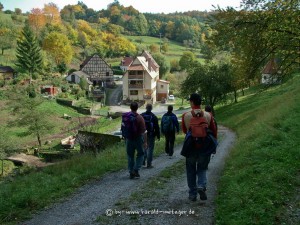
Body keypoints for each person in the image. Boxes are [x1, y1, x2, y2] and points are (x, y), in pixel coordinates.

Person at [182, 93, 217, 201]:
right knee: (202, 168)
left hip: (191, 146)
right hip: (205, 146)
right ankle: (201, 186)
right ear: (201, 102)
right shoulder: (208, 115)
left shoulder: (186, 115)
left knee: (191, 169)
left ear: (191, 102)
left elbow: (184, 131)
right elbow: (214, 131)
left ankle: (192, 194)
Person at [122, 102, 147, 179]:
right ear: (137, 108)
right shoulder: (140, 118)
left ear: (130, 107)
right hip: (138, 138)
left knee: (130, 156)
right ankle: (136, 170)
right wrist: (145, 142)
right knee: (141, 154)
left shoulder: (126, 116)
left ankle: (131, 172)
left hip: (129, 139)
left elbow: (123, 127)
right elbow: (144, 131)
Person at [141, 104, 160, 168]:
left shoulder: (142, 115)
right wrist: (158, 135)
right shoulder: (154, 116)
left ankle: (142, 161)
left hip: (143, 134)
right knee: (150, 149)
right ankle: (149, 164)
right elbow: (157, 127)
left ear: (146, 108)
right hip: (151, 135)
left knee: (144, 147)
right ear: (151, 108)